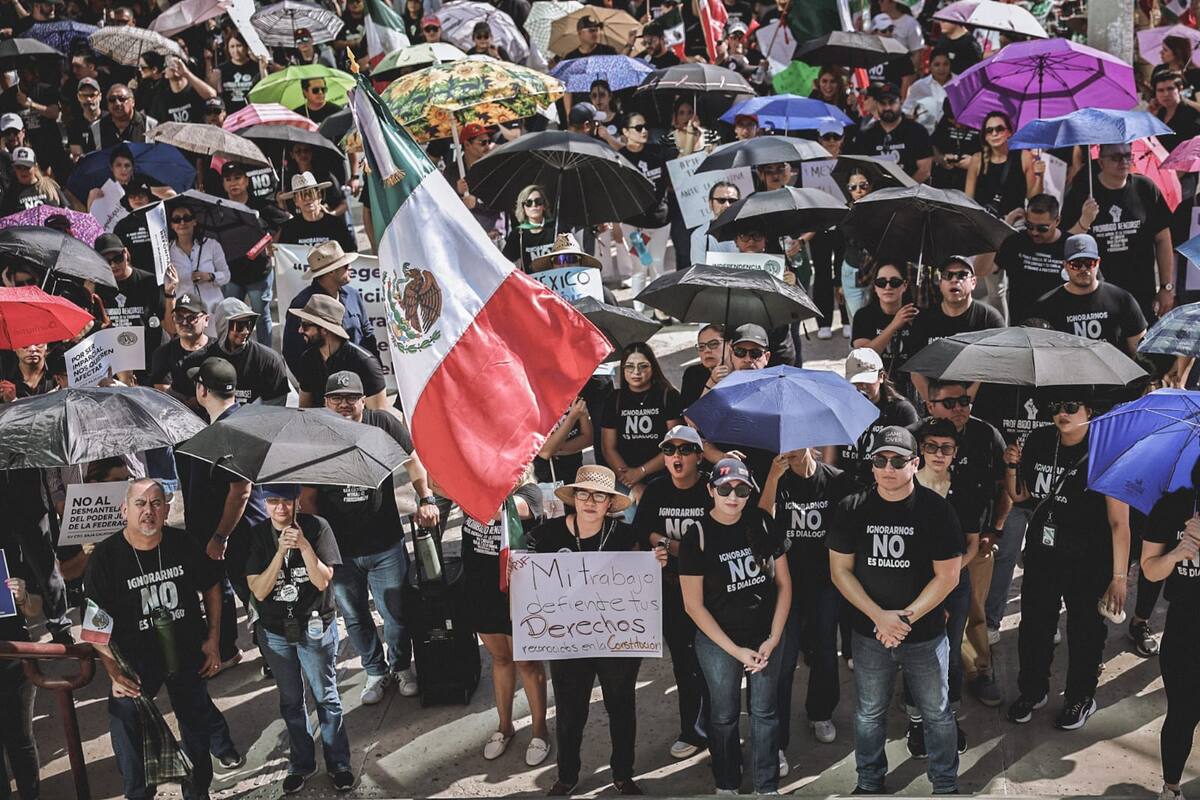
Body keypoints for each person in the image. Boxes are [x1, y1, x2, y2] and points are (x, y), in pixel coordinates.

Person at [84, 478, 242, 800]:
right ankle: (139, 793)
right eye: (140, 504)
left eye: (156, 503)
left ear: (166, 510)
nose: (148, 511)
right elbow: (94, 625)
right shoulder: (106, 557)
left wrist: (213, 640)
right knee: (123, 717)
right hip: (135, 658)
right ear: (124, 510)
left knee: (195, 722)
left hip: (184, 649)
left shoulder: (182, 543)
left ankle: (197, 792)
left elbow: (212, 585)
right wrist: (114, 673)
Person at [828, 425, 965, 795]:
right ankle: (869, 782)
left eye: (898, 460)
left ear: (914, 463)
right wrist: (879, 616)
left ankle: (945, 784)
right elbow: (839, 571)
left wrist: (903, 619)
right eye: (880, 459)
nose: (888, 467)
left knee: (936, 712)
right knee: (869, 713)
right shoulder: (852, 508)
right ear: (871, 465)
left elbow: (948, 576)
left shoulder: (937, 511)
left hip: (924, 634)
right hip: (869, 633)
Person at [1003, 395, 1130, 729]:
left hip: (1089, 560)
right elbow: (1021, 495)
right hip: (1043, 553)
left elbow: (1120, 522)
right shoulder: (1040, 440)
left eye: (1071, 407)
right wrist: (1012, 465)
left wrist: (1119, 577)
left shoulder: (1106, 450)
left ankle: (1079, 698)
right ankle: (1032, 691)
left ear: (1091, 410)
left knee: (1085, 631)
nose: (1062, 413)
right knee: (1033, 627)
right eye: (1056, 406)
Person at [303, 371, 431, 702]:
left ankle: (401, 666)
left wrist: (426, 498)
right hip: (340, 549)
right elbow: (308, 494)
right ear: (326, 402)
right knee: (355, 615)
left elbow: (414, 462)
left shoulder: (383, 424)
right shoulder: (316, 436)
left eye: (351, 398)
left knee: (396, 612)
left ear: (363, 400)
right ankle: (375, 671)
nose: (344, 405)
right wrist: (315, 542)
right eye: (336, 398)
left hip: (385, 540)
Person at [527, 466, 652, 796]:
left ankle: (623, 774)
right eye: (584, 493)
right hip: (569, 641)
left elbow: (639, 586)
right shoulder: (547, 536)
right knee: (569, 712)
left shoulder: (626, 537)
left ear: (610, 503)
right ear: (574, 498)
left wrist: (655, 566)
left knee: (621, 707)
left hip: (616, 641)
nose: (591, 502)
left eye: (600, 496)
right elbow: (529, 582)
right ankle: (567, 776)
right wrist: (517, 572)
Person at [679, 457, 790, 794]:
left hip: (764, 637)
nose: (733, 496)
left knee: (765, 713)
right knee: (724, 715)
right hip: (719, 643)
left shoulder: (762, 522)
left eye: (741, 489)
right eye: (725, 488)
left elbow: (785, 585)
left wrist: (773, 637)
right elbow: (692, 605)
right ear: (711, 489)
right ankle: (726, 782)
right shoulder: (696, 535)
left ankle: (765, 784)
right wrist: (736, 650)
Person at [244, 484, 354, 794]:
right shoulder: (256, 536)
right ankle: (302, 763)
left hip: (315, 625)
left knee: (326, 696)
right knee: (291, 701)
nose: (280, 508)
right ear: (264, 504)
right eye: (273, 501)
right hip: (276, 631)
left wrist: (304, 547)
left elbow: (321, 581)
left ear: (297, 502)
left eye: (286, 501)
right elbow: (260, 590)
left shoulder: (318, 528)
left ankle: (339, 762)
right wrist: (280, 552)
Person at [759, 445, 860, 759]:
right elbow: (762, 522)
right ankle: (778, 741)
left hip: (826, 581)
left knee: (826, 648)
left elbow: (852, 525)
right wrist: (773, 479)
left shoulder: (836, 480)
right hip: (786, 582)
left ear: (811, 444)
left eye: (795, 443)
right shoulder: (777, 478)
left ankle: (821, 711)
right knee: (785, 659)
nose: (787, 450)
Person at [177, 357, 271, 669]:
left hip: (241, 537)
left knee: (259, 600)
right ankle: (250, 651)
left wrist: (220, 536)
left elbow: (240, 489)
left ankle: (276, 657)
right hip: (237, 535)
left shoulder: (228, 430)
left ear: (202, 390)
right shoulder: (234, 422)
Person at [459, 470, 550, 766]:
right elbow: (438, 483)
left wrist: (465, 482)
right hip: (480, 588)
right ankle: (505, 726)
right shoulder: (474, 485)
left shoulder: (531, 494)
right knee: (500, 659)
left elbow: (497, 510)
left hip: (518, 591)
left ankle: (539, 730)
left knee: (526, 661)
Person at [634, 425, 713, 760]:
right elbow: (640, 532)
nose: (676, 457)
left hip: (713, 592)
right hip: (671, 591)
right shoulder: (655, 491)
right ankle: (693, 731)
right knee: (684, 663)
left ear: (699, 455)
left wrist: (670, 544)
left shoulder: (713, 489)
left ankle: (720, 728)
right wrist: (665, 546)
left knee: (714, 662)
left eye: (684, 450)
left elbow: (720, 540)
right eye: (669, 451)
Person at [1061, 143, 1174, 320]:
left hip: (1141, 292)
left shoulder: (1146, 188)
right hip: (1096, 294)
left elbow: (1163, 239)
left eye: (1128, 156)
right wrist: (1084, 221)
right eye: (1115, 157)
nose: (1123, 161)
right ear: (1100, 162)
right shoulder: (1082, 192)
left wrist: (1166, 287)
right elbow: (1065, 242)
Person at [1140, 473, 1200, 800]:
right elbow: (1150, 570)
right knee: (1182, 712)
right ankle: (1172, 788)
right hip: (1184, 626)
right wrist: (1176, 554)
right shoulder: (1172, 505)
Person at [1030, 233, 1148, 356]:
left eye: (1089, 263)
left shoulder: (1122, 300)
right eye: (1075, 264)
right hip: (1069, 372)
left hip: (1116, 373)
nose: (1083, 268)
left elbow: (1140, 353)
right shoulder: (1046, 306)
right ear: (1065, 265)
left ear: (1098, 262)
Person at [910, 256, 1004, 401]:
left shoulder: (989, 318)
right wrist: (933, 403)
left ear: (973, 282)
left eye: (962, 275)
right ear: (940, 283)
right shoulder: (924, 320)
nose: (954, 280)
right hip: (937, 404)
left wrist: (965, 402)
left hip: (979, 404)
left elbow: (994, 366)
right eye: (948, 275)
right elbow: (915, 370)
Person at [601, 343, 683, 507]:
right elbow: (608, 447)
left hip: (664, 476)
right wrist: (633, 483)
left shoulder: (668, 395)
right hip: (625, 479)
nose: (636, 372)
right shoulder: (615, 399)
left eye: (643, 366)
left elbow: (675, 443)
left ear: (653, 367)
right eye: (629, 367)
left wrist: (641, 471)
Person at [281, 241, 378, 373]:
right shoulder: (302, 305)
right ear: (331, 271)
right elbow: (292, 351)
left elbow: (368, 335)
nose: (350, 267)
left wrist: (374, 372)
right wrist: (311, 387)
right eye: (345, 265)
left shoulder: (353, 295)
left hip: (360, 383)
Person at [172, 298, 290, 406]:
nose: (245, 331)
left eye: (249, 324)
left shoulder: (269, 361)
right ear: (223, 326)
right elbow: (177, 402)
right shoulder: (196, 361)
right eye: (239, 326)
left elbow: (274, 412)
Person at [93, 232, 179, 372]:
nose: (114, 265)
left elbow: (171, 328)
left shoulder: (148, 282)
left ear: (126, 253)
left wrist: (170, 293)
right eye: (107, 261)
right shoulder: (96, 288)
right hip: (116, 363)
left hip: (150, 358)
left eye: (118, 258)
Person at [0, 531, 43, 800]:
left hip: (14, 659)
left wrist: (23, 597)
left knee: (20, 739)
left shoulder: (11, 543)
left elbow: (36, 607)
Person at [290, 294, 387, 409]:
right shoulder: (308, 359)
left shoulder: (365, 363)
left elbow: (379, 418)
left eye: (305, 325)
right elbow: (305, 410)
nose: (300, 330)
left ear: (324, 329)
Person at [618, 111, 672, 308]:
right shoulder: (619, 159)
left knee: (658, 265)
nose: (644, 131)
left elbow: (669, 182)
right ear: (625, 131)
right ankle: (639, 313)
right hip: (634, 225)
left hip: (660, 221)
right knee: (640, 267)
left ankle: (660, 310)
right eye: (638, 128)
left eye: (645, 127)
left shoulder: (656, 152)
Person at [994, 194, 1069, 326]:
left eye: (1042, 228)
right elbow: (982, 270)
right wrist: (1003, 227)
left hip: (1060, 326)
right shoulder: (1016, 242)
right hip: (1022, 326)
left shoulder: (1068, 245)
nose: (1034, 232)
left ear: (1057, 221)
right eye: (1029, 226)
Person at [851, 261, 920, 401]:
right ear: (875, 287)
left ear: (904, 285)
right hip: (876, 388)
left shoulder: (916, 315)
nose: (888, 287)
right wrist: (894, 325)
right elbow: (864, 358)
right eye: (881, 282)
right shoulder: (863, 316)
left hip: (911, 387)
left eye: (895, 282)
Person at [849, 81, 932, 182]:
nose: (887, 108)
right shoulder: (866, 135)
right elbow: (860, 168)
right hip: (878, 193)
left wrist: (904, 193)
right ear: (876, 104)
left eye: (892, 102)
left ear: (900, 101)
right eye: (883, 103)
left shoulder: (917, 132)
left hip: (910, 192)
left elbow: (924, 170)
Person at [170, 205, 230, 338]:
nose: (182, 223)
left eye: (187, 218)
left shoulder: (212, 245)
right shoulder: (168, 252)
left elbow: (226, 275)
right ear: (172, 225)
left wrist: (210, 276)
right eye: (176, 219)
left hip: (212, 309)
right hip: (185, 313)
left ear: (194, 221)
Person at [277, 172, 357, 254]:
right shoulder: (289, 229)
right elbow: (283, 256)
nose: (307, 198)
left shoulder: (335, 224)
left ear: (319, 196)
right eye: (302, 194)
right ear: (295, 201)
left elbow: (350, 252)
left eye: (311, 193)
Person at [840, 169, 877, 324]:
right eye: (852, 187)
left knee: (876, 322)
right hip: (851, 269)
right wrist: (837, 283)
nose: (859, 190)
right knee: (858, 323)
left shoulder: (881, 209)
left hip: (876, 272)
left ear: (871, 187)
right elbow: (839, 248)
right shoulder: (843, 212)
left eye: (863, 185)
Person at [150, 293, 208, 390]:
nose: (184, 323)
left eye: (192, 318)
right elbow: (164, 396)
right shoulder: (163, 354)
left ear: (206, 320)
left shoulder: (217, 351)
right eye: (179, 317)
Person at [502, 185, 556, 271]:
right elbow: (504, 263)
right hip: (531, 283)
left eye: (538, 201)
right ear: (523, 207)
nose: (534, 205)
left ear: (544, 206)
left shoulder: (557, 229)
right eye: (528, 203)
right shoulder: (518, 234)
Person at [149, 55, 216, 124]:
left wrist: (186, 73)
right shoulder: (161, 99)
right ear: (165, 73)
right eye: (169, 64)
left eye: (177, 64)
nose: (174, 67)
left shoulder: (196, 88)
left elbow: (212, 96)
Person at [689, 182, 740, 266]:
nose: (727, 205)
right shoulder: (699, 235)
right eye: (721, 200)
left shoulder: (750, 231)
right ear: (710, 204)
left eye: (732, 201)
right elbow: (698, 271)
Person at [3, 146, 67, 213]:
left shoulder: (49, 186)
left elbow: (67, 211)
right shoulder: (11, 192)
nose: (23, 171)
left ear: (35, 167)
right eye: (18, 167)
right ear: (13, 168)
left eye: (27, 167)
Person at [210, 31, 259, 113]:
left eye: (239, 46)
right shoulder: (221, 69)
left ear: (246, 46)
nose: (235, 50)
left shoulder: (256, 67)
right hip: (230, 115)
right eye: (232, 47)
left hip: (251, 113)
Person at [679, 324, 726, 408]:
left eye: (714, 344)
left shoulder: (738, 371)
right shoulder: (693, 374)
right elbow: (689, 417)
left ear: (729, 344)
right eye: (701, 346)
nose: (707, 350)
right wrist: (711, 382)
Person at [1153, 71, 1200, 153]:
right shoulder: (1158, 114)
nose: (1166, 94)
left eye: (1170, 89)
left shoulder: (1190, 114)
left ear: (1179, 89)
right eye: (1160, 90)